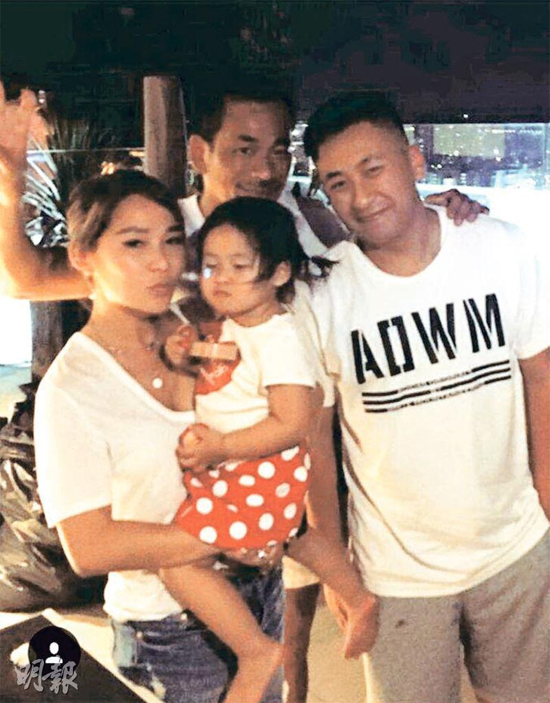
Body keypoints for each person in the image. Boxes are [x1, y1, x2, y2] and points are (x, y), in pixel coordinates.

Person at [0, 80, 487, 703]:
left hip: (277, 477)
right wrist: (12, 180)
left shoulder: (302, 230)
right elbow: (29, 275)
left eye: (279, 149)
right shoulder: (168, 242)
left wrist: (441, 211)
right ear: (200, 152)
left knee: (292, 640)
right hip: (208, 540)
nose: (264, 168)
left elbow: (371, 264)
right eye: (244, 148)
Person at [301, 92, 550, 703]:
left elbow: (540, 375)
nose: (361, 196)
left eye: (374, 169)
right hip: (394, 571)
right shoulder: (322, 292)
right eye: (338, 183)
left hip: (516, 546)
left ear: (414, 161)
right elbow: (313, 440)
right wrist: (333, 562)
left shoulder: (501, 246)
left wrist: (547, 499)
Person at [30, 168, 291, 703]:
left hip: (261, 592)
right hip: (168, 632)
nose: (162, 262)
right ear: (83, 257)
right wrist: (231, 533)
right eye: (134, 243)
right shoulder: (73, 387)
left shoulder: (202, 332)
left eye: (172, 240)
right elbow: (90, 546)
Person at [157, 196, 378, 703]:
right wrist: (184, 353)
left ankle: (255, 650)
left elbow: (295, 421)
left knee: (177, 561)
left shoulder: (279, 337)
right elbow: (225, 373)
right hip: (246, 475)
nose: (220, 278)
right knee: (296, 534)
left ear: (279, 273)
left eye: (239, 267)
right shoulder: (239, 324)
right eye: (210, 266)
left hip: (253, 476)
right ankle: (358, 596)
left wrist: (222, 447)